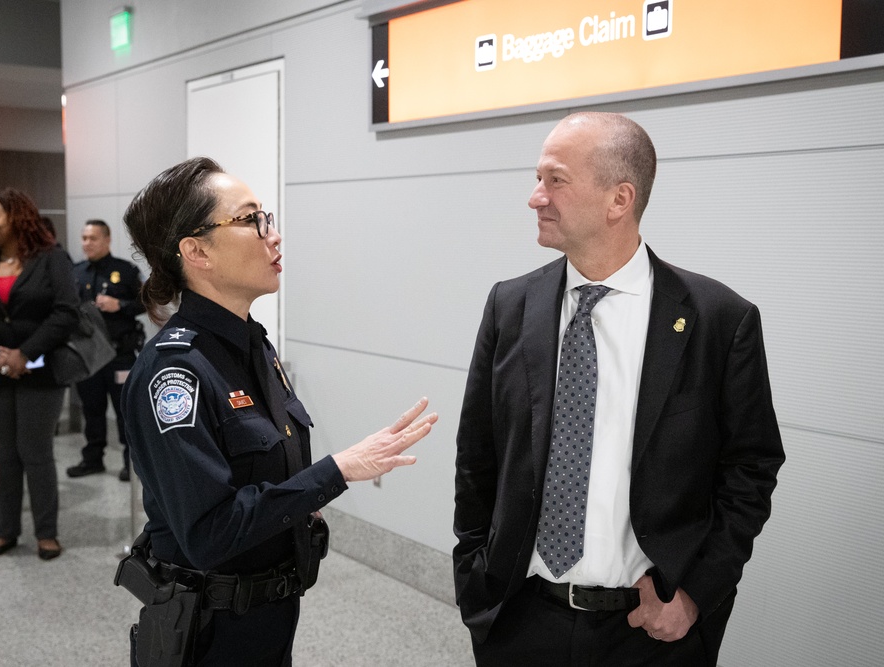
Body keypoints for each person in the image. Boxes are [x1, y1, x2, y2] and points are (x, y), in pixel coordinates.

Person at [453, 112, 785, 666]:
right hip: (519, 620)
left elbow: (751, 469)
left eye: (555, 180)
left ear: (618, 200)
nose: (536, 198)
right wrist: (473, 575)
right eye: (538, 179)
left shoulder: (718, 321)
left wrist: (696, 595)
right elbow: (477, 456)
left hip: (649, 634)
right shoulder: (510, 308)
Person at [119, 156, 437, 666]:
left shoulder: (254, 347)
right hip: (208, 634)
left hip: (268, 620)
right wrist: (337, 471)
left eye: (266, 217)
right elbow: (209, 534)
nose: (274, 234)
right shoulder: (172, 374)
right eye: (251, 220)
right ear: (195, 251)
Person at [0, 187, 78, 561]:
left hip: (40, 372)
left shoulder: (52, 259)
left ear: (16, 217)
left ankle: (47, 533)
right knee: (4, 453)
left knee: (36, 452)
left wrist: (25, 353)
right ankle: (5, 532)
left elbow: (66, 312)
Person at [66, 219, 144, 481]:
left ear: (107, 240)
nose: (87, 243)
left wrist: (119, 305)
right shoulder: (75, 272)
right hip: (89, 356)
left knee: (125, 411)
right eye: (84, 238)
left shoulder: (126, 271)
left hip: (120, 355)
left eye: (93, 238)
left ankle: (129, 463)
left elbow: (146, 303)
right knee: (92, 409)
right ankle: (92, 459)